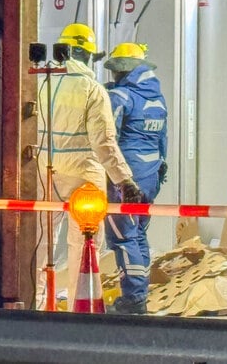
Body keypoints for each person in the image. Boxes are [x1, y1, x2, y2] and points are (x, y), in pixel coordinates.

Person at [36, 23, 144, 309]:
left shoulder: (42, 83)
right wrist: (124, 180)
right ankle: (78, 310)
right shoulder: (93, 90)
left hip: (44, 170)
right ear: (87, 55)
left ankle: (34, 308)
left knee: (38, 246)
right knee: (83, 247)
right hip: (85, 174)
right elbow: (104, 144)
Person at [103, 42, 168, 315]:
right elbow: (162, 140)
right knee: (138, 233)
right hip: (151, 174)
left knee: (122, 237)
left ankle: (133, 298)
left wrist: (117, 177)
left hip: (126, 179)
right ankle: (140, 292)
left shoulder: (120, 97)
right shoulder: (156, 99)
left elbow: (109, 139)